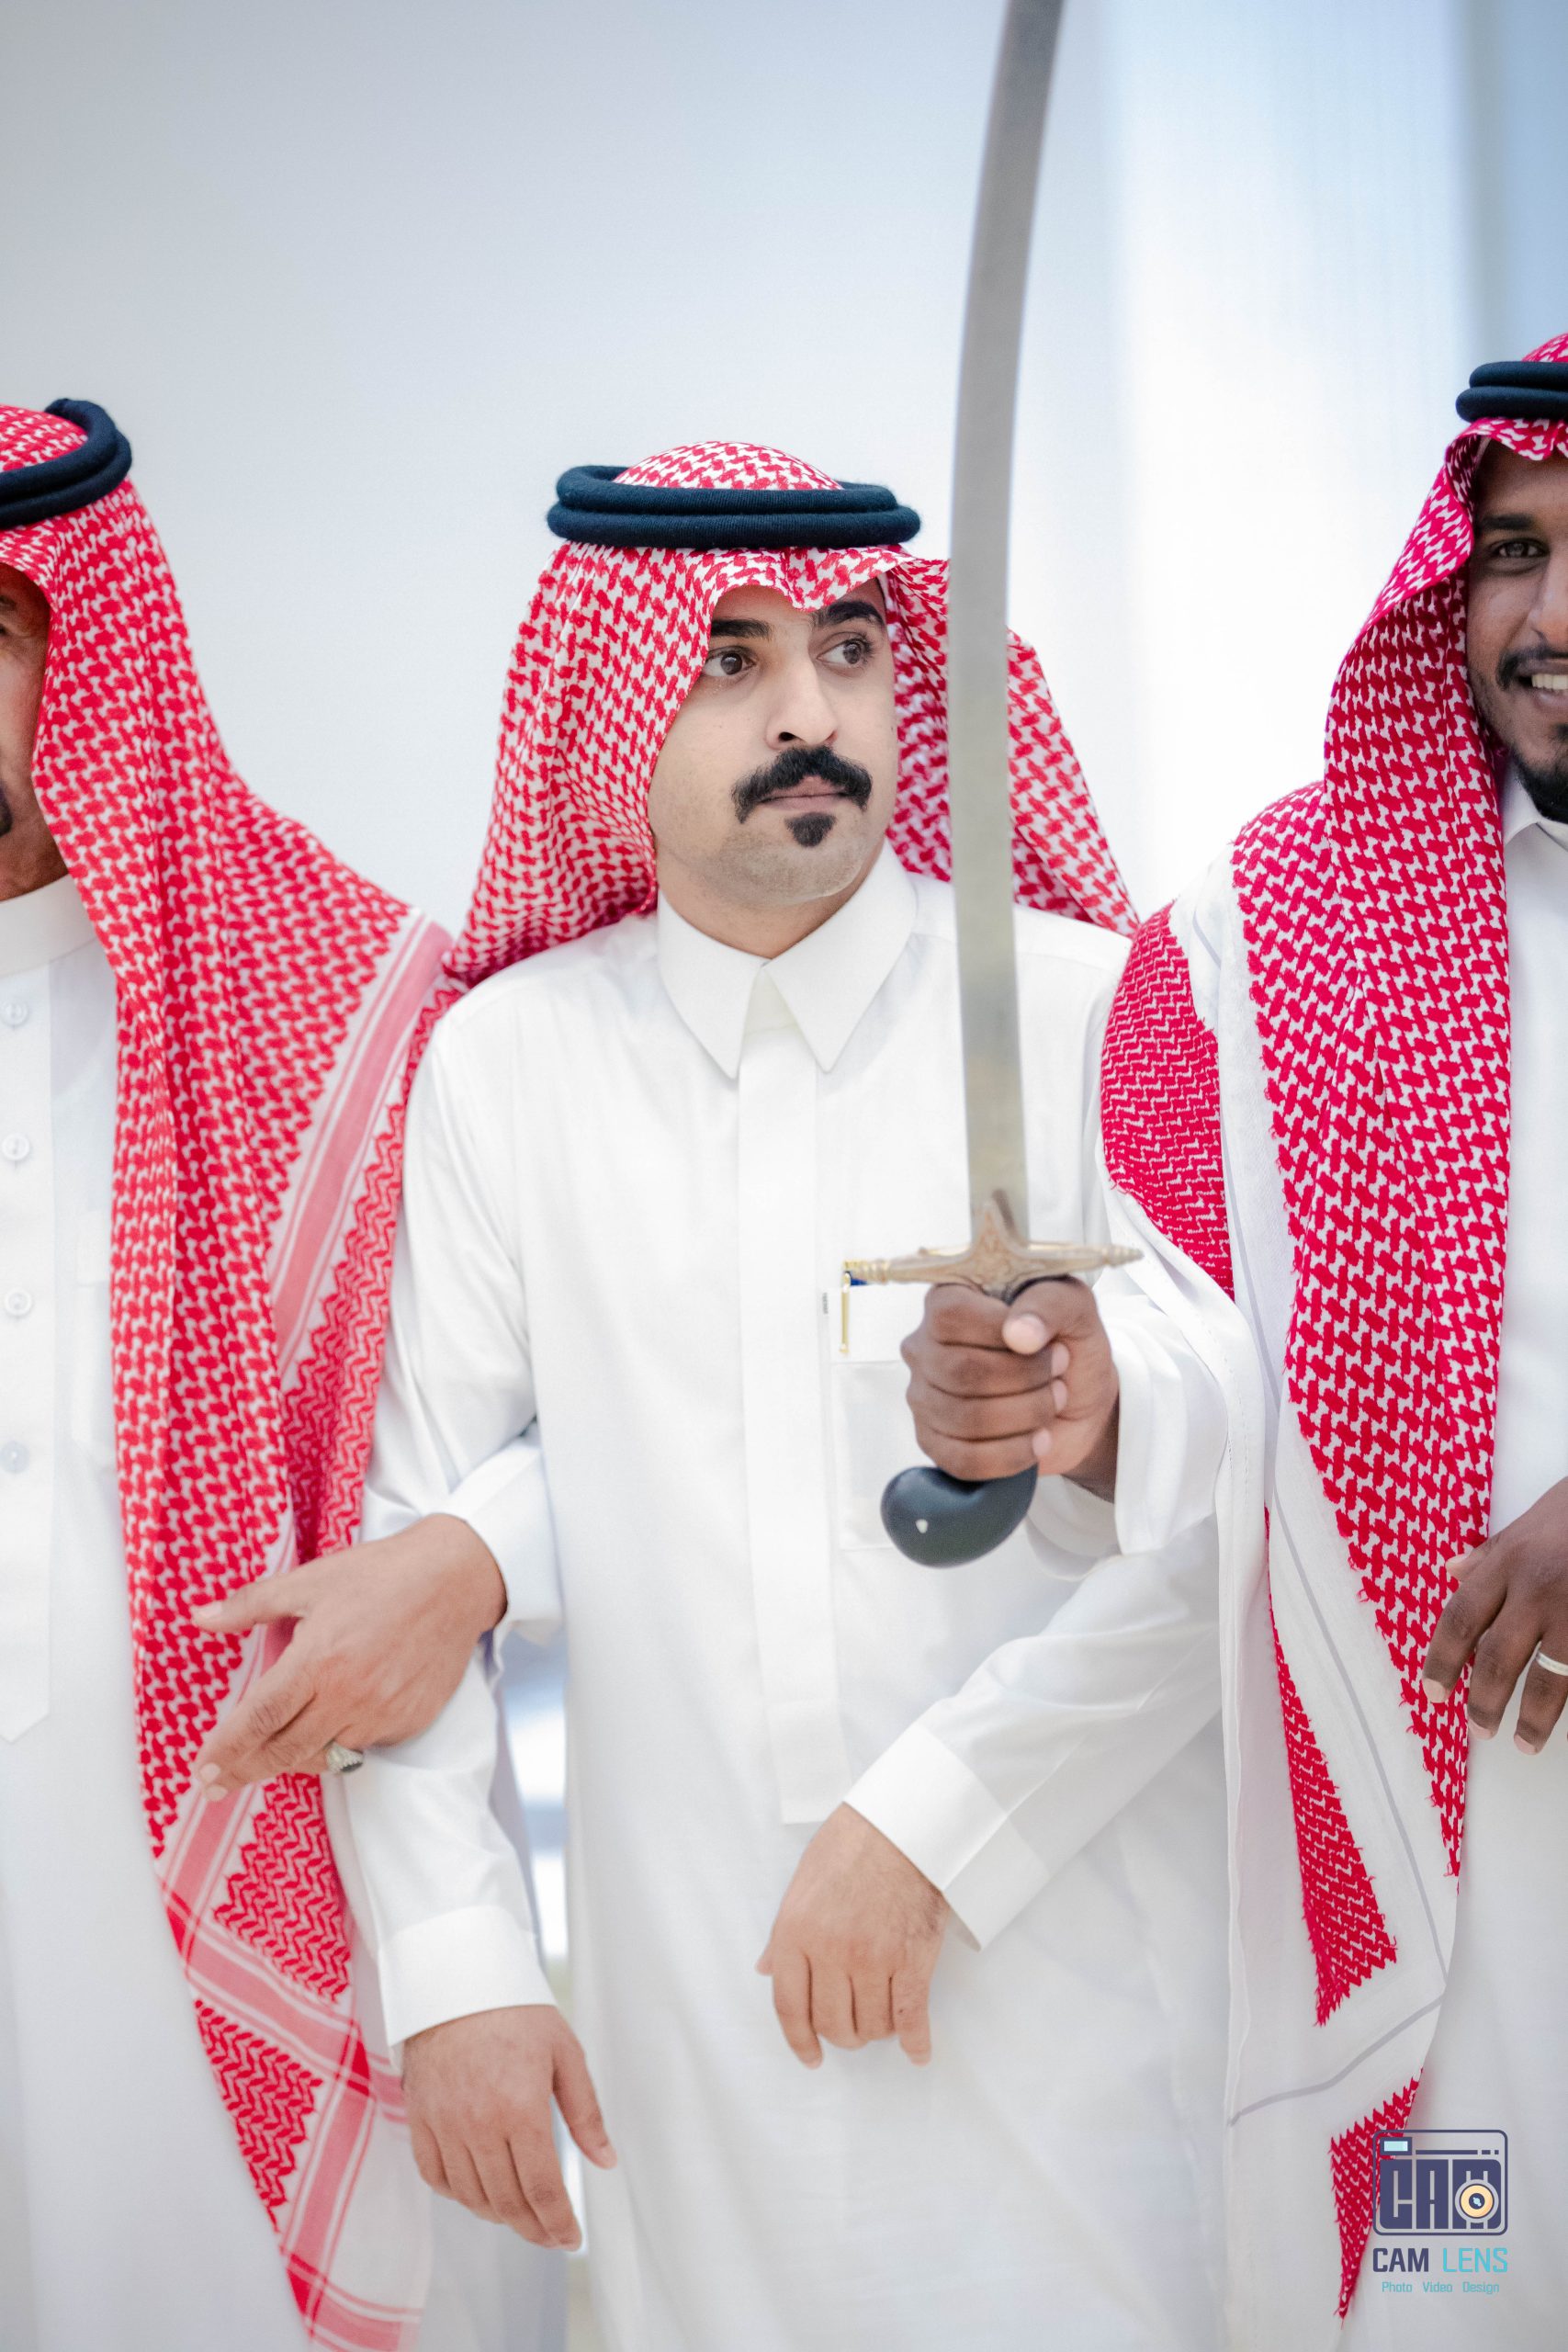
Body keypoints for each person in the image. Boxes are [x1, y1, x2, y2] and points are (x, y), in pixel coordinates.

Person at [260, 441, 1234, 2352]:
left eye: (851, 650)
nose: (812, 715)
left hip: (1075, 1963)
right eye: (732, 659)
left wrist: (939, 1820)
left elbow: (1245, 1512)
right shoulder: (505, 1067)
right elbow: (412, 1546)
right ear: (607, 703)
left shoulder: (1089, 1007)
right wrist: (457, 1970)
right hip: (682, 2014)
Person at [902, 333, 1568, 2349]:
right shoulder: (1273, 940)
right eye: (1513, 550)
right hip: (1457, 1907)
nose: (1547, 615)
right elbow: (1204, 1363)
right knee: (1454, 2291)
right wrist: (1087, 1400)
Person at [0, 401, 557, 2352]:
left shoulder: (345, 1000)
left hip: (237, 1864)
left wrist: (469, 1557)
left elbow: (559, 1410)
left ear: (92, 655)